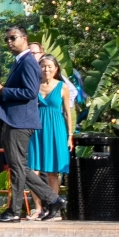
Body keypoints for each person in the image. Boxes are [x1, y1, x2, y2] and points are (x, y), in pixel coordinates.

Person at [0, 26, 63, 221]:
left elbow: (29, 92)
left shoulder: (28, 62)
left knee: (18, 167)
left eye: (13, 38)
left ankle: (15, 211)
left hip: (20, 122)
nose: (9, 42)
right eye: (7, 39)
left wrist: (2, 90)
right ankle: (53, 200)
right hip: (14, 120)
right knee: (19, 167)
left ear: (24, 39)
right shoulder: (19, 62)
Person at [35, 55, 78, 202]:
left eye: (49, 66)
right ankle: (38, 208)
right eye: (43, 66)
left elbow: (67, 112)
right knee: (34, 171)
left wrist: (69, 135)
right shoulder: (34, 85)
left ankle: (53, 206)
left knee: (53, 172)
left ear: (56, 69)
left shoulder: (62, 86)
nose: (46, 69)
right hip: (37, 128)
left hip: (55, 128)